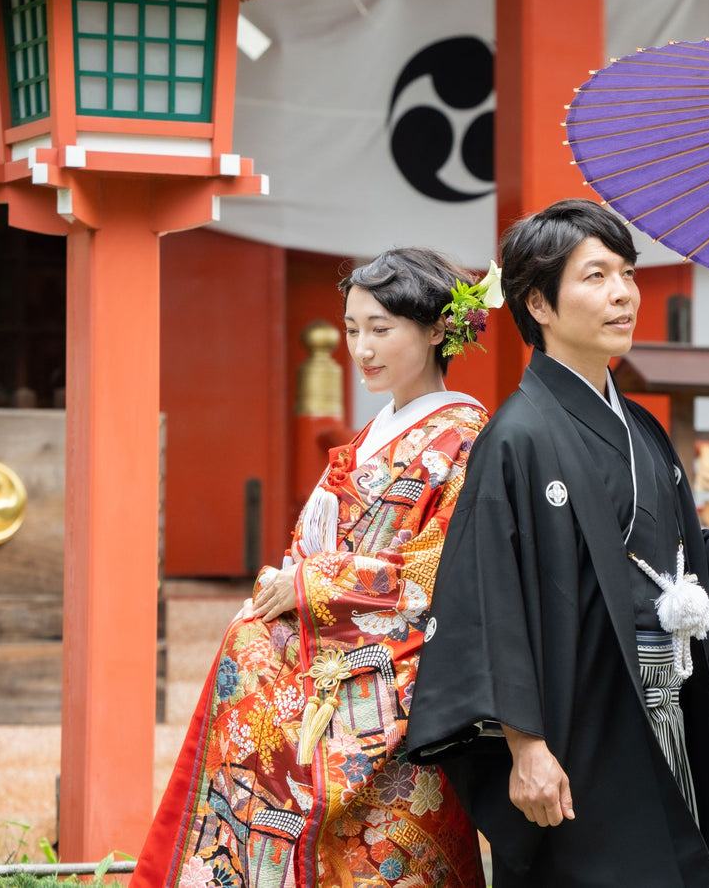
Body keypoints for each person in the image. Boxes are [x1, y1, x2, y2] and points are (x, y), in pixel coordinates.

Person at [408, 199, 709, 887]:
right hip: (578, 728)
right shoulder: (515, 437)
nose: (622, 294)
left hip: (662, 713)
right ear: (538, 305)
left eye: (628, 275)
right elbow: (487, 596)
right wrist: (524, 746)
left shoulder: (640, 427)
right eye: (595, 275)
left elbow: (679, 566)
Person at [132, 248, 500, 888]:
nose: (363, 348)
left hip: (398, 659)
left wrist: (309, 584)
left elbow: (437, 566)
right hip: (338, 634)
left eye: (381, 329)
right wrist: (292, 580)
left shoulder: (465, 434)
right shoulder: (374, 434)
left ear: (439, 328)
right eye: (354, 329)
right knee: (249, 653)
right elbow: (317, 539)